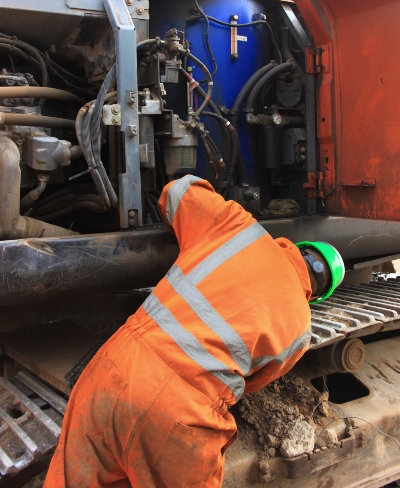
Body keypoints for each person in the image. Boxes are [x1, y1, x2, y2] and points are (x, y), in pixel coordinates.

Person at [44, 175, 345, 488]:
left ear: (298, 247)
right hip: (179, 414)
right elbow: (249, 384)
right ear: (318, 293)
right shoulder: (299, 329)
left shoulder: (237, 227)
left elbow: (179, 190)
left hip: (111, 369)